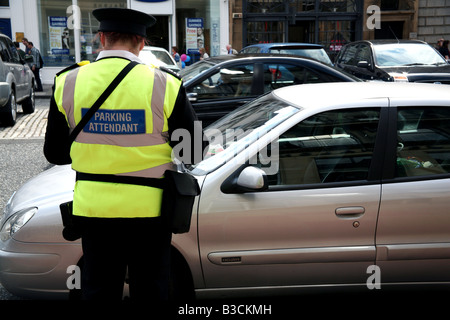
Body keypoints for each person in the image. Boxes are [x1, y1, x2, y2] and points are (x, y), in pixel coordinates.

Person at [43, 7, 207, 301]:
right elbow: (193, 150)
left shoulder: (68, 81)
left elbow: (56, 154)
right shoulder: (164, 84)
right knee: (152, 288)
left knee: (98, 289)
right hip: (151, 211)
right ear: (141, 43)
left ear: (101, 38)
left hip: (94, 210)